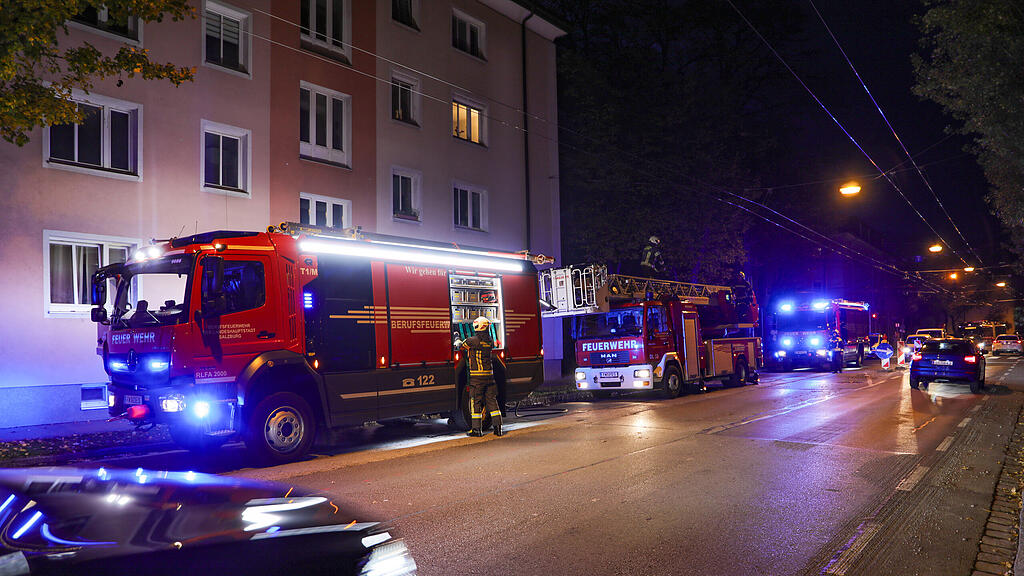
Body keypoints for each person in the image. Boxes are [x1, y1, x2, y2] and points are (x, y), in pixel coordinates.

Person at [460, 316, 506, 437]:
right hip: (490, 377)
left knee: (476, 402)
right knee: (492, 401)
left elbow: (461, 345)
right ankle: (498, 428)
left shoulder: (473, 341)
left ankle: (476, 430)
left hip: (477, 378)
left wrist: (456, 338)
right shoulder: (489, 341)